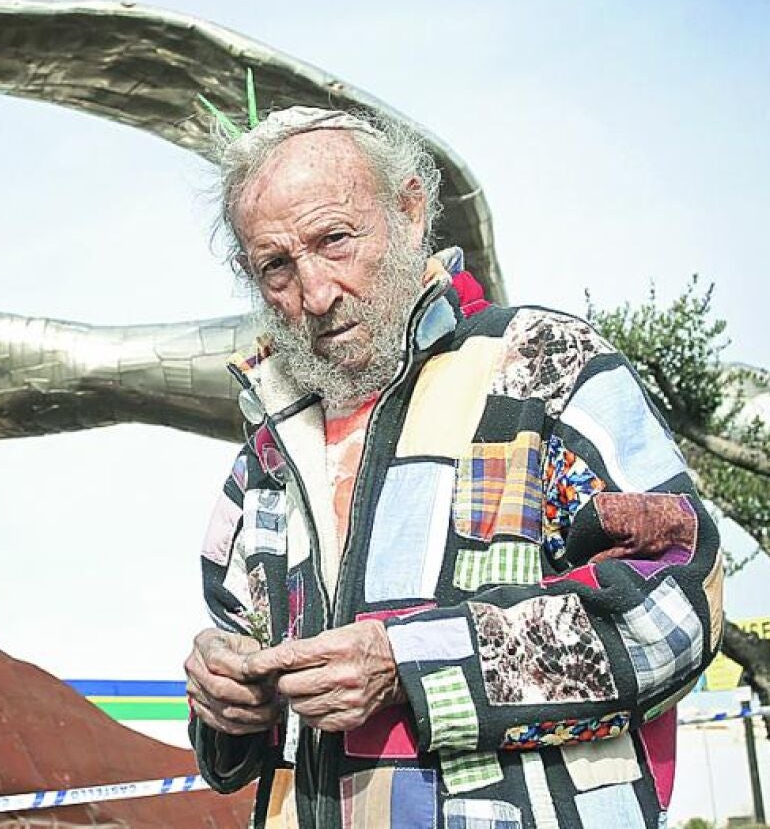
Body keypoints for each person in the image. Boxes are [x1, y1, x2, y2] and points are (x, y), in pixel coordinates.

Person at [185, 106, 722, 829]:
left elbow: (676, 608)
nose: (314, 294)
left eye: (334, 240)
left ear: (408, 213)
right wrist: (223, 701)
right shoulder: (266, 453)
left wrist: (407, 662)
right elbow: (237, 717)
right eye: (276, 266)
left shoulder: (540, 365)